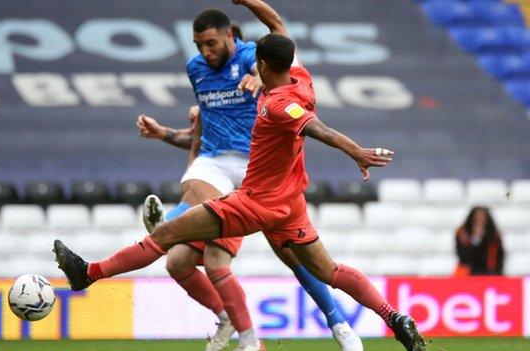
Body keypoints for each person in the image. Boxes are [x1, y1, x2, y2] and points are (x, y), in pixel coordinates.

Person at [53, 1, 427, 351]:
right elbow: (277, 25)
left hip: (255, 202)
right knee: (330, 270)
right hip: (290, 206)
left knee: (166, 234)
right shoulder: (301, 77)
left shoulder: (281, 104)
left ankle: (89, 273)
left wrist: (356, 151)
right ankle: (394, 317)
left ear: (262, 65)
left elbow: (318, 128)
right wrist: (250, 2)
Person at [136, 7, 362, 351]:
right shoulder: (196, 70)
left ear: (230, 36)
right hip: (214, 161)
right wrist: (163, 133)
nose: (205, 53)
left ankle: (338, 323)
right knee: (179, 257)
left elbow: (276, 45)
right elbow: (206, 128)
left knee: (293, 257)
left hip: (254, 169)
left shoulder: (251, 58)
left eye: (211, 44)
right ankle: (227, 316)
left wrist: (260, 77)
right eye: (198, 45)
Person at [454, 206, 505, 276]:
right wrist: (475, 239)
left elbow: (499, 259)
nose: (480, 222)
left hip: (489, 274)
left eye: (482, 219)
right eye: (477, 219)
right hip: (468, 274)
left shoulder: (494, 237)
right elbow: (464, 258)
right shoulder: (462, 234)